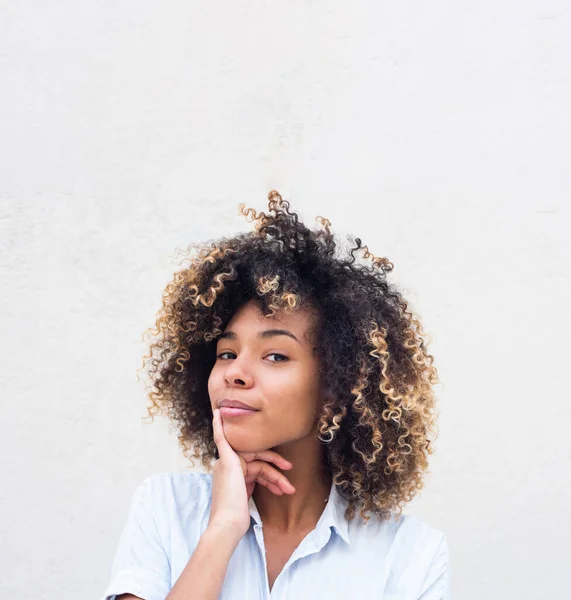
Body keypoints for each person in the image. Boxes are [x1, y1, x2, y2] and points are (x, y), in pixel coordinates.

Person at [100, 191, 451, 600]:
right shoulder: (166, 509)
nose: (235, 372)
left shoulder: (410, 556)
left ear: (336, 391)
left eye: (275, 355)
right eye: (227, 353)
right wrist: (225, 527)